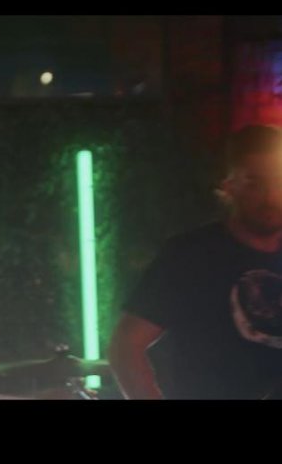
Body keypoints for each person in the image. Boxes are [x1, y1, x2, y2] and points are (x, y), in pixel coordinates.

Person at [109, 124, 282, 399]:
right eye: (254, 183)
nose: (271, 196)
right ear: (228, 186)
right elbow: (126, 346)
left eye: (279, 181)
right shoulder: (191, 255)